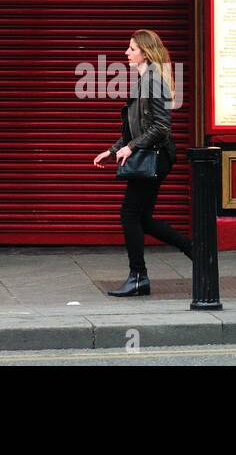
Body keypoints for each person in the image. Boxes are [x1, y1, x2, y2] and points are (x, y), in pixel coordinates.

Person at [93, 29, 191, 297]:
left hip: (155, 158)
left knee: (129, 214)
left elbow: (162, 127)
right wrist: (114, 150)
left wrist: (130, 147)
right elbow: (134, 129)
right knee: (142, 218)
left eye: (132, 48)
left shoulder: (153, 81)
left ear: (145, 52)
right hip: (148, 155)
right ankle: (195, 251)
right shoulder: (145, 80)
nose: (127, 53)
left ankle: (138, 277)